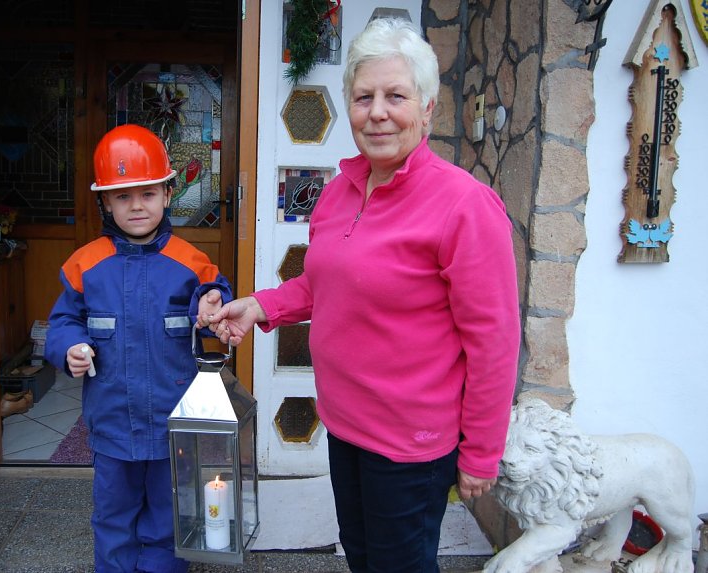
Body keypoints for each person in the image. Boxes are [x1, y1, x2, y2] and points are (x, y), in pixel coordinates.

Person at [201, 18, 520, 573]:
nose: (377, 111)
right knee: (364, 557)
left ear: (427, 108)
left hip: (411, 445)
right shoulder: (340, 190)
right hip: (346, 425)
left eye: (395, 96)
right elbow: (324, 284)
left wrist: (481, 453)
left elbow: (494, 341)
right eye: (363, 96)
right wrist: (260, 306)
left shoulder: (465, 205)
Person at [45, 124, 232, 573]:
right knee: (112, 517)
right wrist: (70, 346)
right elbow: (63, 321)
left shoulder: (191, 262)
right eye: (122, 196)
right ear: (105, 202)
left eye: (147, 193)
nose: (136, 206)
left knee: (167, 519)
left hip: (172, 424)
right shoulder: (84, 265)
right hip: (111, 425)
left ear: (168, 195)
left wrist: (214, 301)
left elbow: (213, 296)